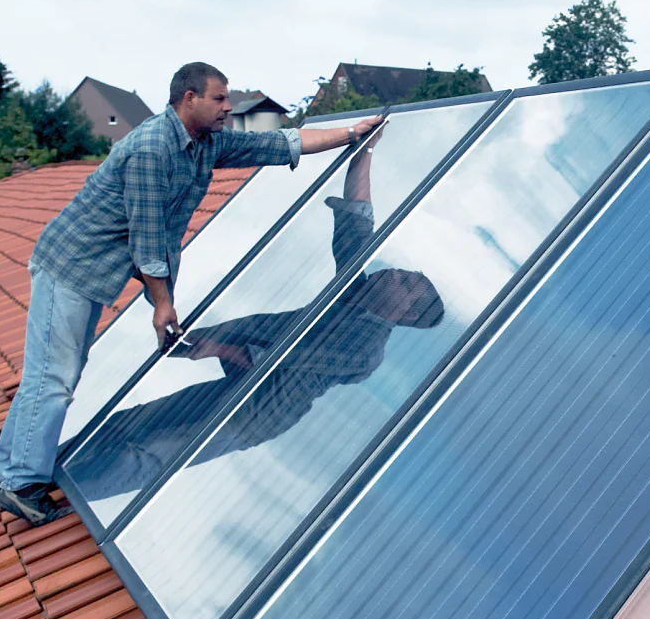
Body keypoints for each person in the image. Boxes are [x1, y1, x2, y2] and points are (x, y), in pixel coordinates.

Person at [0, 61, 384, 525]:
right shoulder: (154, 148)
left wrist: (352, 133)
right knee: (54, 377)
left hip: (91, 273)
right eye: (219, 98)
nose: (228, 107)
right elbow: (148, 239)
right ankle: (17, 482)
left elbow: (278, 143)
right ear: (188, 98)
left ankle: (6, 471)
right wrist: (162, 303)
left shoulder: (204, 144)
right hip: (71, 267)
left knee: (52, 373)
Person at [67, 128, 444, 503]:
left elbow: (280, 362)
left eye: (406, 283)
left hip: (253, 414)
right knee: (129, 424)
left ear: (405, 314)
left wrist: (215, 346)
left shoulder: (364, 350)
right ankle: (45, 472)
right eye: (403, 273)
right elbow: (357, 220)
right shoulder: (354, 293)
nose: (395, 272)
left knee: (148, 454)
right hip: (237, 385)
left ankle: (59, 503)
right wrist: (365, 151)